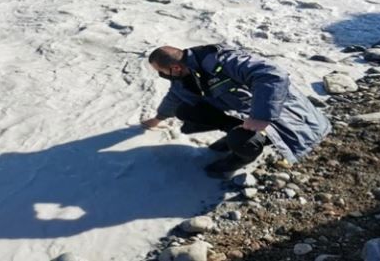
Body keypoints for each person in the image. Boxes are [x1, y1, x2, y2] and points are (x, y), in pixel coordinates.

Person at [142, 44, 332, 174]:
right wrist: (157, 119)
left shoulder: (221, 59)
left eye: (161, 71)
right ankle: (236, 133)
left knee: (242, 141)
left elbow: (272, 75)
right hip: (242, 112)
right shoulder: (184, 76)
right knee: (185, 111)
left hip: (282, 116)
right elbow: (173, 99)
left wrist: (261, 116)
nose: (161, 75)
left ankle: (240, 158)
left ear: (175, 67)